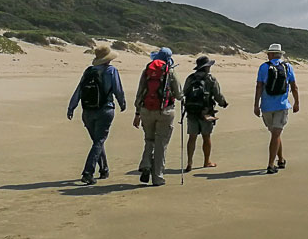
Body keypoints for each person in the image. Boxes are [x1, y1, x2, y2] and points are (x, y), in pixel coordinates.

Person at [67, 44, 127, 185]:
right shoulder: (111, 71)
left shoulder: (88, 72)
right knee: (99, 141)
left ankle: (104, 169)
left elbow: (79, 90)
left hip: (87, 111)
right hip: (105, 110)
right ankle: (88, 172)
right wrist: (122, 103)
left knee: (97, 141)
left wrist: (71, 107)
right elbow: (118, 90)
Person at [132, 46, 182, 186]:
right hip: (165, 112)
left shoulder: (147, 71)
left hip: (146, 111)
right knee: (161, 144)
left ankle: (146, 163)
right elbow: (178, 95)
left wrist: (137, 113)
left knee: (149, 139)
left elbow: (140, 93)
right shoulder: (170, 72)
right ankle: (158, 177)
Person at [254, 43, 299, 174]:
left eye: (268, 53)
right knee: (276, 135)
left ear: (272, 54)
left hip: (267, 107)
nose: (267, 55)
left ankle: (279, 160)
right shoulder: (288, 67)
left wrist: (256, 105)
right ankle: (271, 164)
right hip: (282, 105)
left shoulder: (263, 67)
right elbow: (294, 86)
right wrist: (297, 102)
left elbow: (259, 87)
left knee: (275, 134)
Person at [182, 54, 229, 172]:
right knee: (206, 137)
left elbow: (184, 93)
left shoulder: (190, 78)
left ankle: (189, 162)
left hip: (191, 112)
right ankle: (206, 161)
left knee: (192, 137)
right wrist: (223, 103)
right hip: (206, 112)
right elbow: (218, 95)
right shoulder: (210, 79)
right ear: (207, 67)